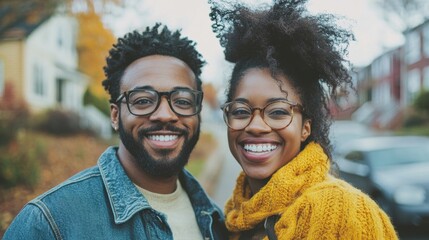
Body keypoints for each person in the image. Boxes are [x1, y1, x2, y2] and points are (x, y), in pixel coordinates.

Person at [4, 23, 227, 239]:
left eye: (182, 101)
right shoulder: (49, 223)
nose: (165, 114)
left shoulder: (216, 220)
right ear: (115, 115)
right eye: (142, 100)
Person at [209, 0, 398, 239]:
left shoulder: (344, 211)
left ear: (305, 127)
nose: (255, 126)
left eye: (277, 111)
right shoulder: (233, 220)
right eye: (240, 111)